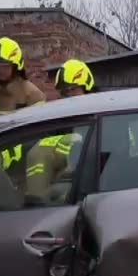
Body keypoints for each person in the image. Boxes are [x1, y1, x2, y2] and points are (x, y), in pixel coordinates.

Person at [24, 60, 96, 204]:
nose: (69, 96)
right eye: (65, 92)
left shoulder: (102, 113)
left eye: (73, 89)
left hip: (91, 187)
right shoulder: (60, 119)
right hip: (65, 182)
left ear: (86, 88)